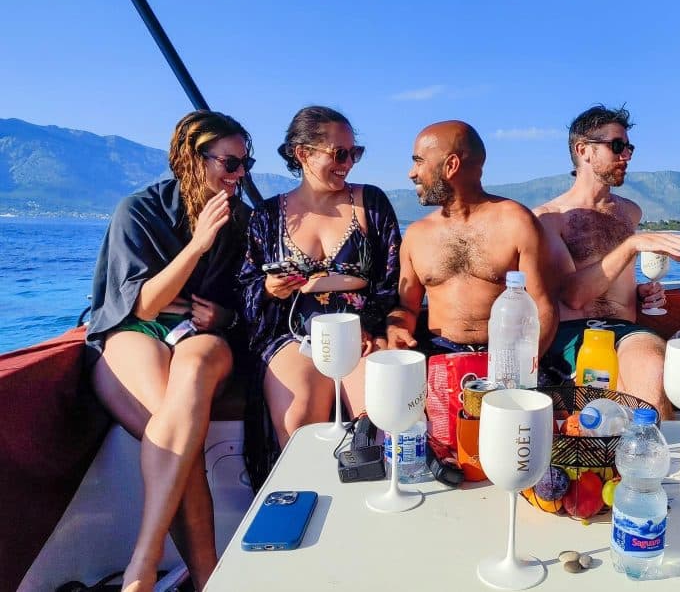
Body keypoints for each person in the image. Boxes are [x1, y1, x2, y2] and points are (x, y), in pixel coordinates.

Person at [87, 110, 253, 592]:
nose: (238, 174)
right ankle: (206, 579)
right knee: (180, 430)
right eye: (228, 163)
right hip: (136, 331)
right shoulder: (138, 211)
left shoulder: (242, 221)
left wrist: (220, 318)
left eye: (244, 163)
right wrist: (198, 243)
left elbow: (243, 305)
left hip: (201, 342)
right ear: (190, 158)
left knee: (193, 376)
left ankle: (145, 558)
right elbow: (142, 304)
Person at [239, 106, 401, 485]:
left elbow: (391, 278)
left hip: (361, 330)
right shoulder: (265, 216)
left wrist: (370, 326)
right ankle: (305, 500)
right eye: (339, 153)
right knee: (297, 419)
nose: (348, 164)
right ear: (303, 154)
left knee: (375, 418)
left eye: (354, 153)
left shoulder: (370, 204)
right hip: (295, 334)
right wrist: (269, 288)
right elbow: (247, 290)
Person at [534, 105, 680, 421]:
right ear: (583, 150)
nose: (626, 155)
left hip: (627, 331)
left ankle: (652, 458)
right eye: (616, 146)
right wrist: (633, 245)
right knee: (616, 394)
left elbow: (613, 275)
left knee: (652, 370)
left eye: (628, 147)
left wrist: (640, 291)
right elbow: (573, 295)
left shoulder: (630, 212)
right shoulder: (548, 219)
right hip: (575, 333)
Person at [385, 120, 557, 359]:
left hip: (506, 354)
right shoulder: (416, 235)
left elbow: (544, 307)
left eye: (419, 161)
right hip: (440, 355)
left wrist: (522, 368)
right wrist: (398, 327)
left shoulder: (516, 222)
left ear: (451, 165)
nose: (412, 173)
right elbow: (407, 308)